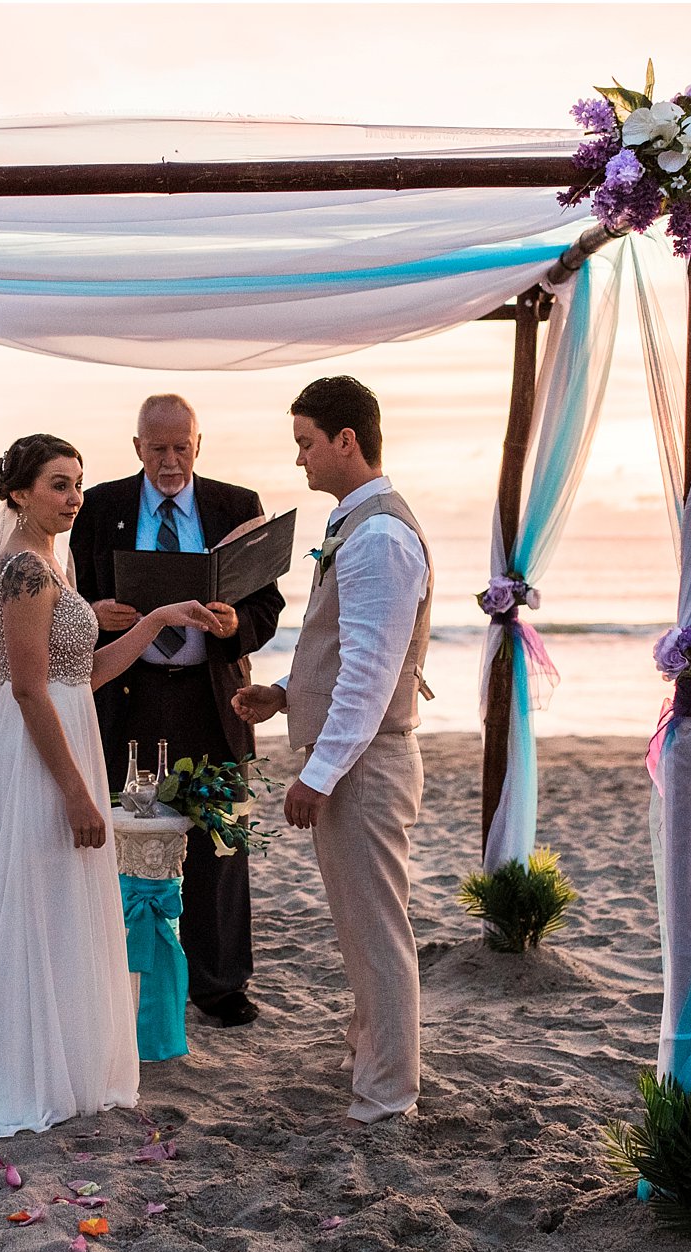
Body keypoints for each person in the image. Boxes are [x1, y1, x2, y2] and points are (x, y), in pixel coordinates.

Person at [0, 434, 224, 1138]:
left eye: (78, 484)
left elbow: (83, 673)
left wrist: (157, 618)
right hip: (42, 748)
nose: (73, 497)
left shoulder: (48, 564)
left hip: (70, 725)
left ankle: (59, 1054)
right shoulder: (24, 574)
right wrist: (74, 792)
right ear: (19, 493)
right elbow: (32, 691)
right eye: (59, 484)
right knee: (34, 892)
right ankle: (20, 1065)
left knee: (58, 896)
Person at [232, 376, 434, 1124]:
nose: (300, 462)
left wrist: (316, 775)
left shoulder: (379, 536)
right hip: (358, 756)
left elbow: (371, 678)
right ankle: (371, 1052)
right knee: (360, 923)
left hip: (366, 764)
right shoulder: (363, 526)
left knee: (378, 929)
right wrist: (285, 693)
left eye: (306, 444)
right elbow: (347, 652)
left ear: (346, 440)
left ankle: (387, 1092)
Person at [70, 394, 285, 1029]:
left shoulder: (237, 506)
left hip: (213, 701)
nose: (170, 461)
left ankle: (219, 986)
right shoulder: (101, 506)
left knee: (222, 844)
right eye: (157, 448)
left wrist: (233, 624)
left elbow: (267, 608)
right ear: (137, 447)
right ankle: (122, 979)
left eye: (181, 447)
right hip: (125, 700)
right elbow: (67, 599)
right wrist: (94, 616)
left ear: (199, 444)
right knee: (123, 840)